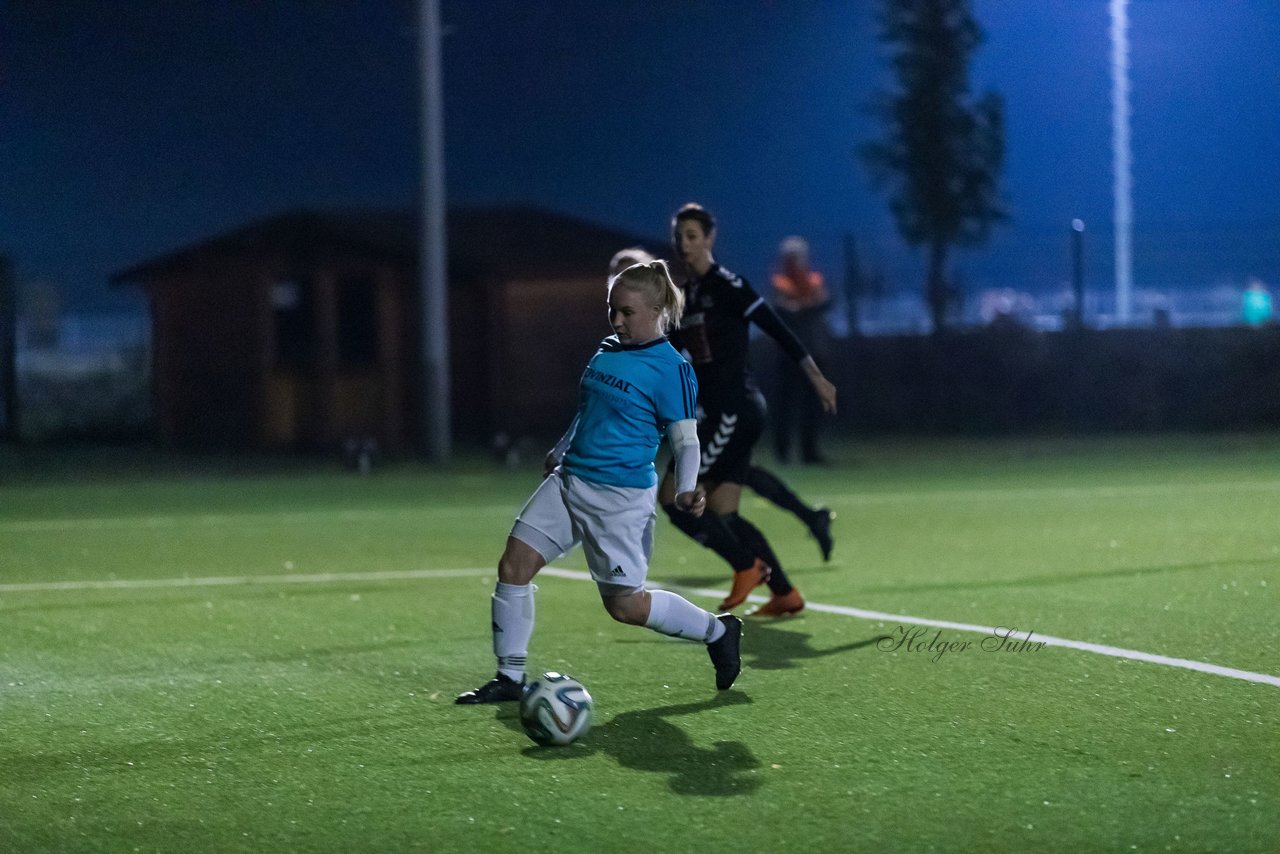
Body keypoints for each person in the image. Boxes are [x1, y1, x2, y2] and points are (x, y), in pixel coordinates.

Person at [456, 259, 743, 704]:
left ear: (656, 310)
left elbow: (686, 441)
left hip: (619, 498)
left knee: (625, 607)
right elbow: (590, 408)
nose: (617, 319)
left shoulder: (671, 368)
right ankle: (509, 679)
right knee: (513, 565)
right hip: (570, 481)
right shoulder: (609, 347)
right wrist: (562, 446)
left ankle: (717, 630)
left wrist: (686, 488)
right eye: (613, 310)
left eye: (627, 312)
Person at [659, 204, 838, 620]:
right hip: (719, 413)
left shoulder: (729, 285)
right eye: (679, 237)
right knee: (724, 511)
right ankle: (785, 593)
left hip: (734, 410)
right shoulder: (688, 296)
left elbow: (778, 328)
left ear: (709, 239)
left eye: (691, 235)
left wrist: (816, 376)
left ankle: (745, 565)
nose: (684, 244)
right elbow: (666, 350)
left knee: (673, 495)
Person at [608, 247, 835, 562]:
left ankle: (750, 565)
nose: (619, 281)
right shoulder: (642, 315)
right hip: (714, 405)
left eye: (628, 271)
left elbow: (688, 355)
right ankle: (798, 532)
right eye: (616, 274)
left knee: (690, 492)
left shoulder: (673, 307)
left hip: (716, 405)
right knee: (737, 474)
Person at [769, 236, 833, 465]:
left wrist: (803, 307)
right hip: (788, 353)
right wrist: (806, 307)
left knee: (813, 403)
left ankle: (810, 451)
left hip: (814, 352)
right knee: (785, 404)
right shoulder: (780, 281)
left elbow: (823, 301)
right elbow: (786, 309)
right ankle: (783, 452)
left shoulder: (813, 279)